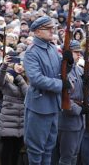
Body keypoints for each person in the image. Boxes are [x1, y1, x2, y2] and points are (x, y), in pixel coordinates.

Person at [23, 16, 72, 165]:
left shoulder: (52, 48)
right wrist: (61, 85)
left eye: (53, 27)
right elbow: (36, 79)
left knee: (49, 147)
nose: (52, 31)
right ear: (37, 32)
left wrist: (69, 63)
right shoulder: (32, 52)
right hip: (39, 106)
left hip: (53, 104)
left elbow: (60, 72)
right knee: (36, 150)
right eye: (48, 28)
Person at [58, 40, 89, 165]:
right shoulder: (62, 70)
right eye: (76, 52)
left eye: (79, 52)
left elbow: (86, 93)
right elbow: (63, 97)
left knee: (75, 154)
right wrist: (79, 109)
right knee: (66, 157)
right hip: (68, 120)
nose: (79, 55)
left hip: (79, 120)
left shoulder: (79, 70)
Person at [0, 53, 28, 165]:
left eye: (23, 65)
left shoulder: (27, 79)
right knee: (7, 150)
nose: (20, 67)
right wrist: (4, 66)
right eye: (18, 64)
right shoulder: (8, 77)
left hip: (22, 120)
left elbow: (28, 95)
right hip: (8, 119)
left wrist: (20, 80)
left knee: (16, 151)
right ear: (14, 64)